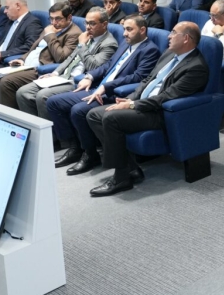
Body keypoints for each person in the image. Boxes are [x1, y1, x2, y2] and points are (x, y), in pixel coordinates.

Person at [85, 22, 208, 197]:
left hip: (161, 113)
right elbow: (148, 80)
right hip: (143, 104)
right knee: (93, 115)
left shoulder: (196, 67)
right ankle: (131, 168)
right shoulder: (169, 54)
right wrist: (132, 98)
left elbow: (166, 97)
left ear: (186, 38)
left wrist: (132, 105)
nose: (169, 36)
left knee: (111, 118)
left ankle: (121, 178)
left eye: (173, 33)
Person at [50, 14, 160, 171]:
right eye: (124, 29)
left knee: (78, 110)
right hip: (98, 87)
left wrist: (106, 86)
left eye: (129, 29)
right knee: (53, 102)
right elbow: (109, 64)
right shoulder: (126, 43)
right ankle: (75, 147)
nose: (124, 34)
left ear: (142, 30)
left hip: (114, 94)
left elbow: (138, 77)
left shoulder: (150, 50)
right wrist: (90, 76)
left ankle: (90, 155)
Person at [15, 7, 118, 119]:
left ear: (104, 24)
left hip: (78, 81)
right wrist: (54, 73)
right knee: (23, 92)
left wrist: (82, 45)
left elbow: (93, 66)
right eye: (86, 23)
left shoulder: (109, 44)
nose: (88, 27)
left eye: (92, 23)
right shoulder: (87, 36)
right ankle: (35, 125)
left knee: (42, 96)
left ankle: (49, 130)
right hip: (63, 77)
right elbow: (70, 58)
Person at [0, 2, 82, 108]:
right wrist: (22, 59)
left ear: (69, 17)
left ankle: (11, 117)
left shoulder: (74, 33)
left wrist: (50, 35)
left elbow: (61, 58)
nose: (54, 22)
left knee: (7, 82)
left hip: (40, 69)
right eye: (51, 18)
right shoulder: (50, 27)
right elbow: (34, 47)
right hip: (25, 64)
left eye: (58, 19)